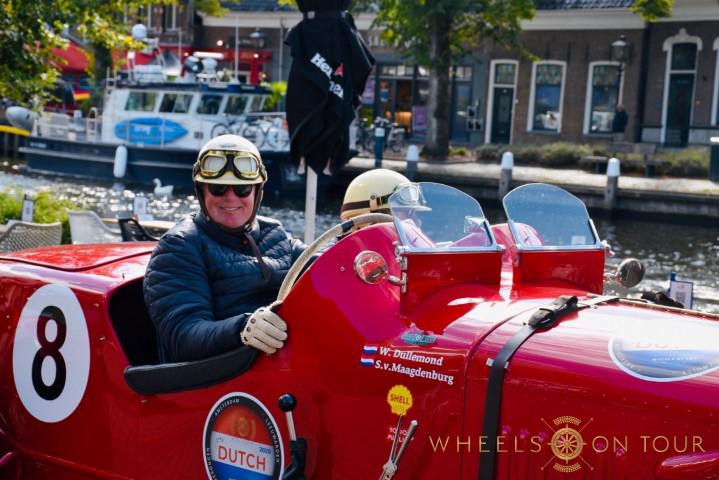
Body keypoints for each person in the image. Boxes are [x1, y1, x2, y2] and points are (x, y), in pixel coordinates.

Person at [143, 135, 306, 363]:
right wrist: (244, 328)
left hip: (289, 360)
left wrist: (355, 249)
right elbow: (183, 336)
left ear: (257, 192)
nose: (230, 197)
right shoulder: (179, 246)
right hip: (226, 375)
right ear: (201, 191)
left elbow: (325, 264)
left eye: (242, 189)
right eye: (218, 188)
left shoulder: (274, 233)